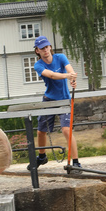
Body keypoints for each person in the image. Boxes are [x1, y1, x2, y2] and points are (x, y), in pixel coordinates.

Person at [29, 35, 81, 170]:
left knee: (66, 130)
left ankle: (75, 162)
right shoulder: (38, 65)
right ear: (37, 51)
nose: (45, 50)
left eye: (47, 47)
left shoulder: (60, 57)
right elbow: (51, 75)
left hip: (64, 99)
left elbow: (70, 70)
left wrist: (72, 77)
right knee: (41, 131)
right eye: (42, 48)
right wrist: (67, 76)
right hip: (49, 99)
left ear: (50, 47)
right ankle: (42, 157)